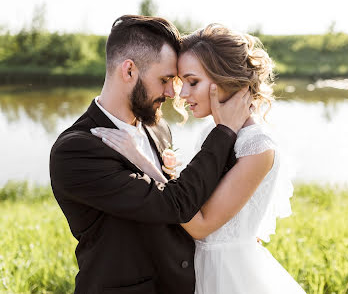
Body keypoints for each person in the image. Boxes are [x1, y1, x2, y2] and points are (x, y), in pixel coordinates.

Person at [94, 24, 305, 293]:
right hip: (199, 268)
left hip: (230, 274)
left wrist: (145, 164)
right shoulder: (213, 133)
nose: (182, 94)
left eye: (193, 82)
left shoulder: (258, 146)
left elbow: (201, 226)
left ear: (225, 79)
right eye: (182, 83)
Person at [49, 16, 252, 294]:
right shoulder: (77, 151)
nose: (172, 92)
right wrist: (225, 131)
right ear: (129, 71)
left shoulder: (158, 128)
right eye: (165, 80)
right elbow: (176, 203)